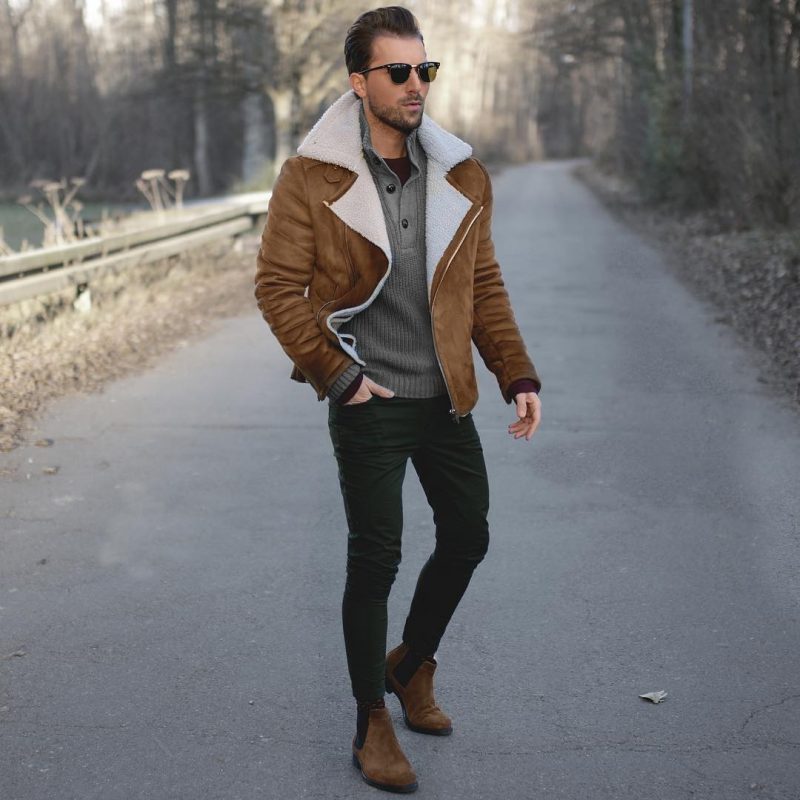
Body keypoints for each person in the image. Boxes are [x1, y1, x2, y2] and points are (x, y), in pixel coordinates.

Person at [254, 6, 542, 793]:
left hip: (443, 393)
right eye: (399, 72)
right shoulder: (313, 177)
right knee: (374, 557)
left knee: (469, 534)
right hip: (365, 396)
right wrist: (338, 375)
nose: (418, 85)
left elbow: (481, 284)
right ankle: (370, 721)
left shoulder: (460, 172)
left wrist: (515, 373)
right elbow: (277, 289)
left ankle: (410, 663)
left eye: (426, 70)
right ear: (359, 83)